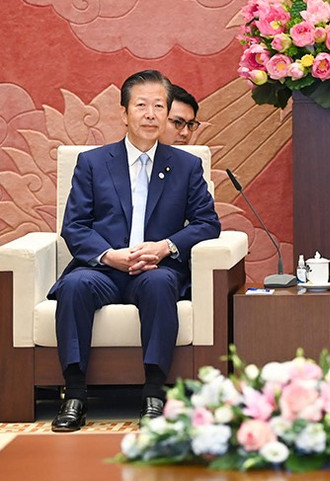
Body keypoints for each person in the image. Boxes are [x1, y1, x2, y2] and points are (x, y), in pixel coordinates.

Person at [48, 70, 221, 432]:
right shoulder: (93, 163)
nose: (151, 114)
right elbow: (74, 226)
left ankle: (154, 395)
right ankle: (75, 396)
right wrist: (110, 255)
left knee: (160, 285)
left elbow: (208, 223)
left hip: (155, 268)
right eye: (141, 105)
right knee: (74, 287)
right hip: (103, 269)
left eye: (159, 105)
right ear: (124, 113)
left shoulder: (187, 166)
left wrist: (165, 247)